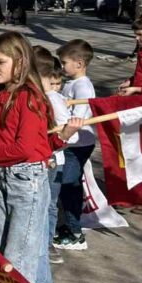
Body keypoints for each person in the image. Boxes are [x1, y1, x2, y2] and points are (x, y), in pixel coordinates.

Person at [0, 33, 81, 283]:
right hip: (2, 178)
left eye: (0, 62)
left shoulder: (28, 97)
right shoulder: (1, 96)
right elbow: (39, 144)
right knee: (9, 250)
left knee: (18, 259)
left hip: (25, 182)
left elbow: (25, 148)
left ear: (20, 61)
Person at [33, 55, 79, 283]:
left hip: (53, 161)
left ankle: (48, 244)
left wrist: (60, 133)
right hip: (43, 160)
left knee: (48, 205)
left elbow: (68, 132)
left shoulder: (52, 99)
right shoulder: (40, 97)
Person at [54, 39, 97, 252]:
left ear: (79, 64)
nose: (61, 67)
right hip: (70, 142)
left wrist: (62, 128)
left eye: (64, 63)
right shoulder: (71, 83)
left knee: (68, 185)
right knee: (66, 184)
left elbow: (79, 118)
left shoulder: (83, 86)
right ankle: (67, 226)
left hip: (77, 143)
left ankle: (75, 233)